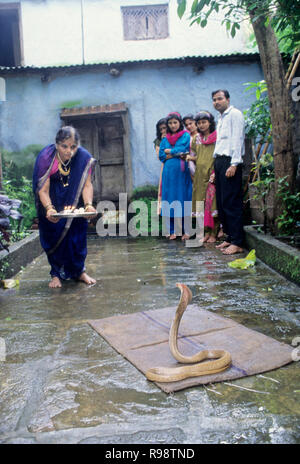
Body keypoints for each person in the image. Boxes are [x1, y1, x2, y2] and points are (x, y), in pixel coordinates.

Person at [33, 126, 97, 288]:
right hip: (52, 199)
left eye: (73, 146)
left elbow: (87, 185)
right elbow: (43, 189)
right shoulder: (46, 158)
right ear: (56, 144)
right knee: (54, 235)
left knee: (77, 235)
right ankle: (56, 274)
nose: (69, 151)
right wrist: (49, 208)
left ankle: (79, 272)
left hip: (75, 200)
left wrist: (88, 205)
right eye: (64, 146)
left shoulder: (83, 157)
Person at [212, 89, 245, 255]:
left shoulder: (235, 114)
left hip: (230, 161)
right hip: (219, 162)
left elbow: (238, 139)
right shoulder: (221, 118)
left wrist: (234, 164)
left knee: (232, 202)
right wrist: (215, 168)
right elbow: (220, 144)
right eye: (214, 100)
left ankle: (238, 242)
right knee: (223, 202)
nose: (216, 102)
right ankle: (230, 237)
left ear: (228, 99)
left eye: (219, 98)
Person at [187, 110, 220, 243]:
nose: (201, 125)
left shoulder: (217, 137)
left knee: (212, 203)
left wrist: (216, 173)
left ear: (210, 122)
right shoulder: (196, 139)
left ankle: (214, 232)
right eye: (199, 123)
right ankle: (205, 232)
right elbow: (194, 156)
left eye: (204, 122)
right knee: (200, 203)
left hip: (212, 173)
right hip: (199, 175)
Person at [159, 112, 192, 240]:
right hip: (168, 173)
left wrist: (170, 151)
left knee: (183, 198)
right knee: (169, 199)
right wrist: (175, 152)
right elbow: (162, 155)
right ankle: (172, 231)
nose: (172, 125)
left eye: (175, 122)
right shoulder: (165, 139)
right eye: (170, 123)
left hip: (181, 171)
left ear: (180, 123)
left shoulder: (185, 135)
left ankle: (186, 231)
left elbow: (184, 150)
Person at [154, 118, 167, 215]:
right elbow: (160, 156)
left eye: (165, 128)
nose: (163, 131)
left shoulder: (179, 137)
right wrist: (163, 140)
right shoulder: (158, 141)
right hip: (166, 167)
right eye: (161, 129)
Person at [183, 114, 198, 178]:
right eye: (186, 125)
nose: (188, 126)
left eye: (190, 123)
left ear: (195, 122)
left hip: (200, 165)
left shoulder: (201, 136)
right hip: (189, 167)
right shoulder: (186, 137)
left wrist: (192, 158)